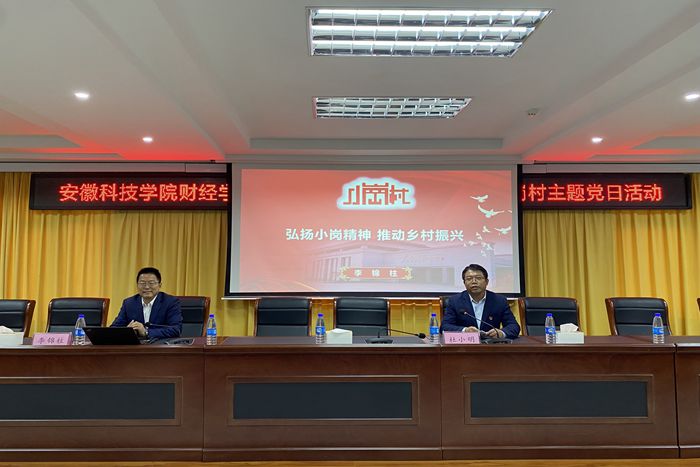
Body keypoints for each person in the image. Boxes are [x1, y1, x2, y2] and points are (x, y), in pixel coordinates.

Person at [442, 264, 520, 339]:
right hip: (465, 345)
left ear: (486, 282)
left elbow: (514, 326)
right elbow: (444, 326)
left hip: (491, 345)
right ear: (464, 283)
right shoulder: (455, 301)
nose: (474, 282)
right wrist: (465, 330)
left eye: (478, 278)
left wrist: (501, 333)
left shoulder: (499, 301)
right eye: (469, 279)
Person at [111, 267, 182, 339]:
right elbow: (113, 328)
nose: (147, 287)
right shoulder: (129, 303)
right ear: (137, 285)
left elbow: (175, 330)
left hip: (160, 344)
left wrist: (146, 332)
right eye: (142, 283)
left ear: (160, 285)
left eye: (151, 283)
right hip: (136, 345)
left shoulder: (170, 302)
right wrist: (127, 330)